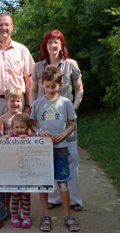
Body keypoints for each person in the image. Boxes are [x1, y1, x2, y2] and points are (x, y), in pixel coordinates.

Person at [29, 30, 84, 212]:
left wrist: (72, 110)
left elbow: (79, 89)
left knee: (72, 159)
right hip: (44, 123)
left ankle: (75, 199)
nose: (53, 45)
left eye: (56, 42)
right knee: (48, 160)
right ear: (45, 45)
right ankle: (53, 198)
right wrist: (33, 109)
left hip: (66, 123)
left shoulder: (70, 65)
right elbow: (33, 90)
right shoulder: (38, 67)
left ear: (62, 45)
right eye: (50, 42)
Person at [30, 66, 79, 232]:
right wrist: (38, 131)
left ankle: (67, 216)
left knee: (62, 183)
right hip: (42, 151)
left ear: (61, 84)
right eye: (47, 85)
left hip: (60, 149)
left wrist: (63, 134)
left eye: (54, 86)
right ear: (42, 83)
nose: (50, 89)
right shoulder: (37, 104)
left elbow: (73, 124)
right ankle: (46, 216)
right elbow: (32, 125)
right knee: (43, 183)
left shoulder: (65, 103)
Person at [0, 86, 23, 216]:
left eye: (18, 101)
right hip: (7, 157)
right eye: (12, 101)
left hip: (21, 156)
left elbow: (28, 135)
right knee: (8, 184)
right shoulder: (2, 118)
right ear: (6, 101)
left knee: (22, 184)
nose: (15, 104)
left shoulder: (24, 117)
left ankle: (23, 209)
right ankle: (7, 208)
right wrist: (4, 138)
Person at [8, 113, 32, 229]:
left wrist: (26, 140)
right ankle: (14, 216)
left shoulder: (30, 140)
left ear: (27, 128)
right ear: (12, 128)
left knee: (26, 195)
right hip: (13, 173)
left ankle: (26, 216)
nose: (19, 130)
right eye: (16, 127)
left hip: (26, 173)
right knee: (15, 195)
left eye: (22, 127)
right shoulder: (9, 139)